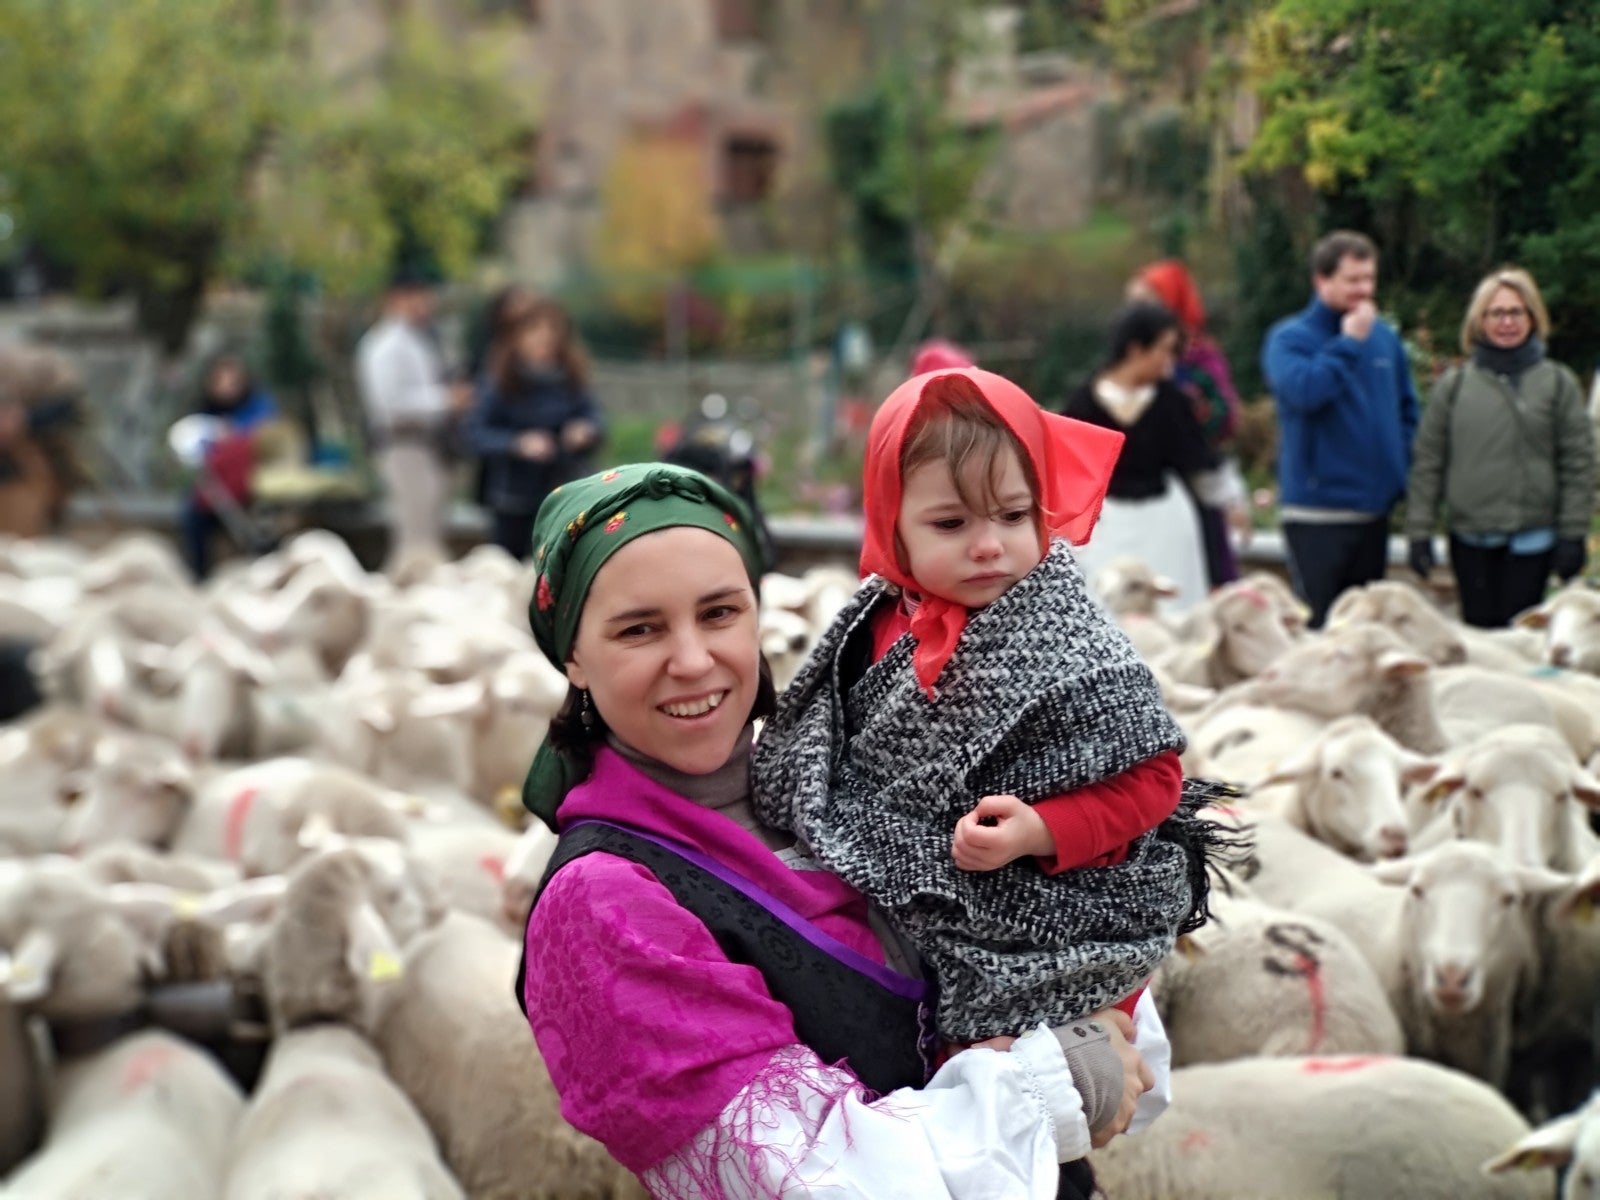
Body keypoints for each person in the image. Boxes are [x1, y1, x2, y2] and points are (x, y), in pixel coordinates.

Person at [517, 462, 1161, 1200]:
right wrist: (1058, 1079)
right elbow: (822, 1181)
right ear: (573, 655)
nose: (693, 661)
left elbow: (1067, 973)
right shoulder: (603, 905)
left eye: (721, 613)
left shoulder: (835, 785)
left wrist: (1101, 1015)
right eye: (639, 629)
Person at [752, 367, 1223, 1161]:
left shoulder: (1065, 636)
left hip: (1048, 897)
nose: (989, 545)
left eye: (1013, 515)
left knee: (994, 1068)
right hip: (912, 891)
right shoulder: (874, 618)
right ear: (890, 525)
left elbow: (1153, 781)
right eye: (949, 522)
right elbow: (830, 736)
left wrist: (1043, 828)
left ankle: (1013, 1119)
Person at [1404, 267, 1595, 626]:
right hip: (1471, 537)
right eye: (1497, 313)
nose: (1507, 322)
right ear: (1480, 320)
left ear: (1532, 317)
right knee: (1480, 637)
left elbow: (1578, 462)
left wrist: (1573, 534)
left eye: (1516, 312)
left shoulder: (1557, 383)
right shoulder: (1455, 385)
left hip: (1533, 536)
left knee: (1520, 642)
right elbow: (1429, 460)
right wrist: (1419, 532)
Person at [1262, 231, 1419, 628]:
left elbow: (1406, 409)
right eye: (1352, 280)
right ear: (1322, 280)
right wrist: (1348, 344)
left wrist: (1398, 467)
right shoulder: (1289, 339)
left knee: (1367, 634)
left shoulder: (1384, 339)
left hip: (1373, 511)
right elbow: (1304, 392)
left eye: (1369, 279)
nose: (1363, 289)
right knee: (1319, 629)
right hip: (1317, 514)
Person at [1061, 302, 1235, 615]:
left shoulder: (1172, 402)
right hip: (1105, 527)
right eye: (1164, 351)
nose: (1169, 363)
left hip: (1165, 523)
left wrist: (1231, 501)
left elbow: (1199, 463)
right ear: (1135, 349)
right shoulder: (1082, 404)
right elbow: (1066, 473)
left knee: (1172, 610)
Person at [1128, 260, 1248, 585]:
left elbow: (1224, 418)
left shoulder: (1200, 359)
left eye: (1149, 302)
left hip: (1195, 484)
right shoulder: (1127, 360)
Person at [465, 299, 603, 559]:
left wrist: (584, 430)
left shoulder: (571, 376)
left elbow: (594, 418)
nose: (544, 339)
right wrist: (517, 443)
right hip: (514, 499)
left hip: (566, 489)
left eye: (551, 332)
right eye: (534, 331)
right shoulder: (500, 380)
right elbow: (475, 433)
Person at [355, 266, 470, 567]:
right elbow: (390, 404)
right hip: (403, 443)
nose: (424, 305)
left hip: (429, 444)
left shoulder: (421, 339)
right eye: (415, 298)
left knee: (429, 529)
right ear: (395, 299)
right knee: (415, 535)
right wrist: (446, 400)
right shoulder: (384, 344)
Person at [177, 352, 278, 580]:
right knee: (194, 518)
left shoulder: (258, 407)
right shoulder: (206, 415)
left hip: (250, 487)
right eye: (220, 381)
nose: (226, 387)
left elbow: (267, 434)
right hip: (215, 492)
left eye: (232, 381)